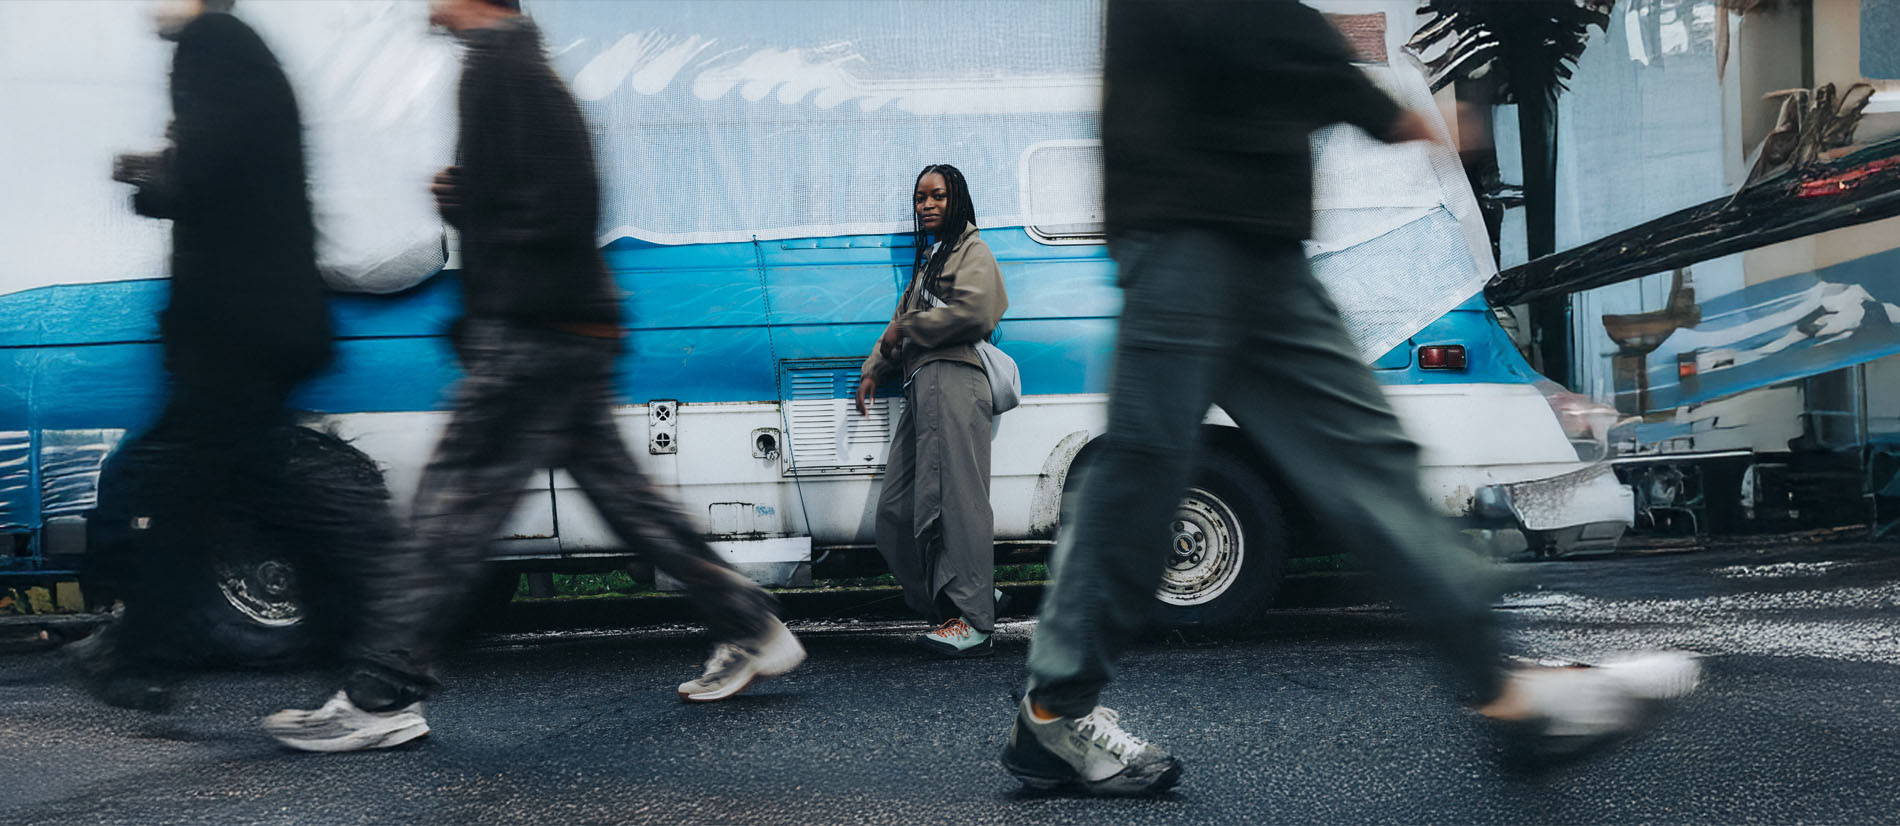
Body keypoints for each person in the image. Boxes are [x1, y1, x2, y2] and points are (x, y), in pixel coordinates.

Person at [998, 0, 1702, 796]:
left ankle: (1510, 699)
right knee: (1151, 474)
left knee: (1359, 459)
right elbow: (1244, 27)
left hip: (1254, 240)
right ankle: (1054, 713)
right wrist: (1378, 106)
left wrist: (1364, 99)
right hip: (1187, 233)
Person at [261, 0, 803, 753]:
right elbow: (539, 198)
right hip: (559, 334)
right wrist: (472, 200)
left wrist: (491, 290)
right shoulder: (510, 67)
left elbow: (563, 204)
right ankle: (751, 626)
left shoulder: (505, 68)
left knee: (449, 519)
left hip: (532, 337)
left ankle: (381, 695)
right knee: (630, 506)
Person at [78, 0, 339, 711]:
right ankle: (140, 651)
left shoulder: (213, 45)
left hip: (237, 327)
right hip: (249, 326)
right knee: (217, 492)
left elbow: (216, 174)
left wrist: (150, 171)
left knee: (184, 490)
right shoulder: (230, 49)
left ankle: (143, 656)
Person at [855, 165, 1010, 658]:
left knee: (957, 503)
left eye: (937, 196)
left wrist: (907, 331)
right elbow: (897, 326)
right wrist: (874, 369)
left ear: (957, 199)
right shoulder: (931, 259)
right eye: (920, 198)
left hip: (955, 377)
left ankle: (974, 619)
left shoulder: (972, 251)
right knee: (897, 512)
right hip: (923, 385)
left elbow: (977, 313)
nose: (926, 205)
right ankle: (959, 598)